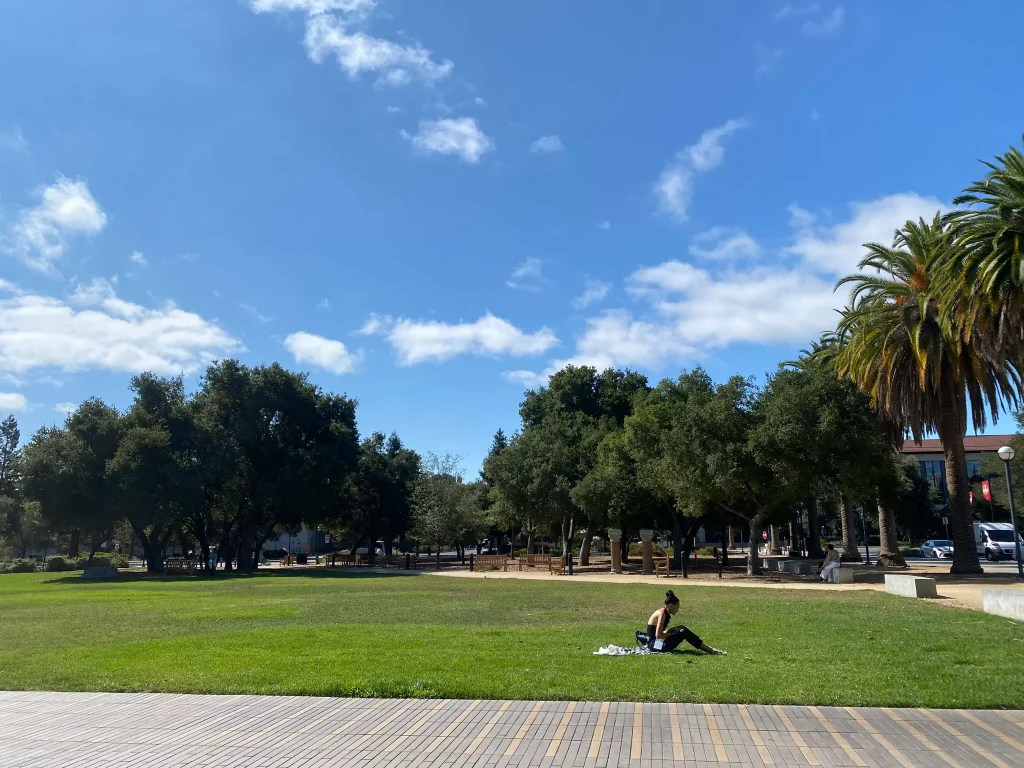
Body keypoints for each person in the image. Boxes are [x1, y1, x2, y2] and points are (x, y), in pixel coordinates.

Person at [646, 590, 726, 655]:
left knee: (681, 628)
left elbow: (658, 633)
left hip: (656, 643)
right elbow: (658, 635)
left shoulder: (663, 612)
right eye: (677, 607)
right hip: (655, 646)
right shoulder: (662, 614)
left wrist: (670, 632)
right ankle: (709, 650)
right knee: (683, 631)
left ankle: (708, 649)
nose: (677, 610)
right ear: (670, 606)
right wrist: (670, 633)